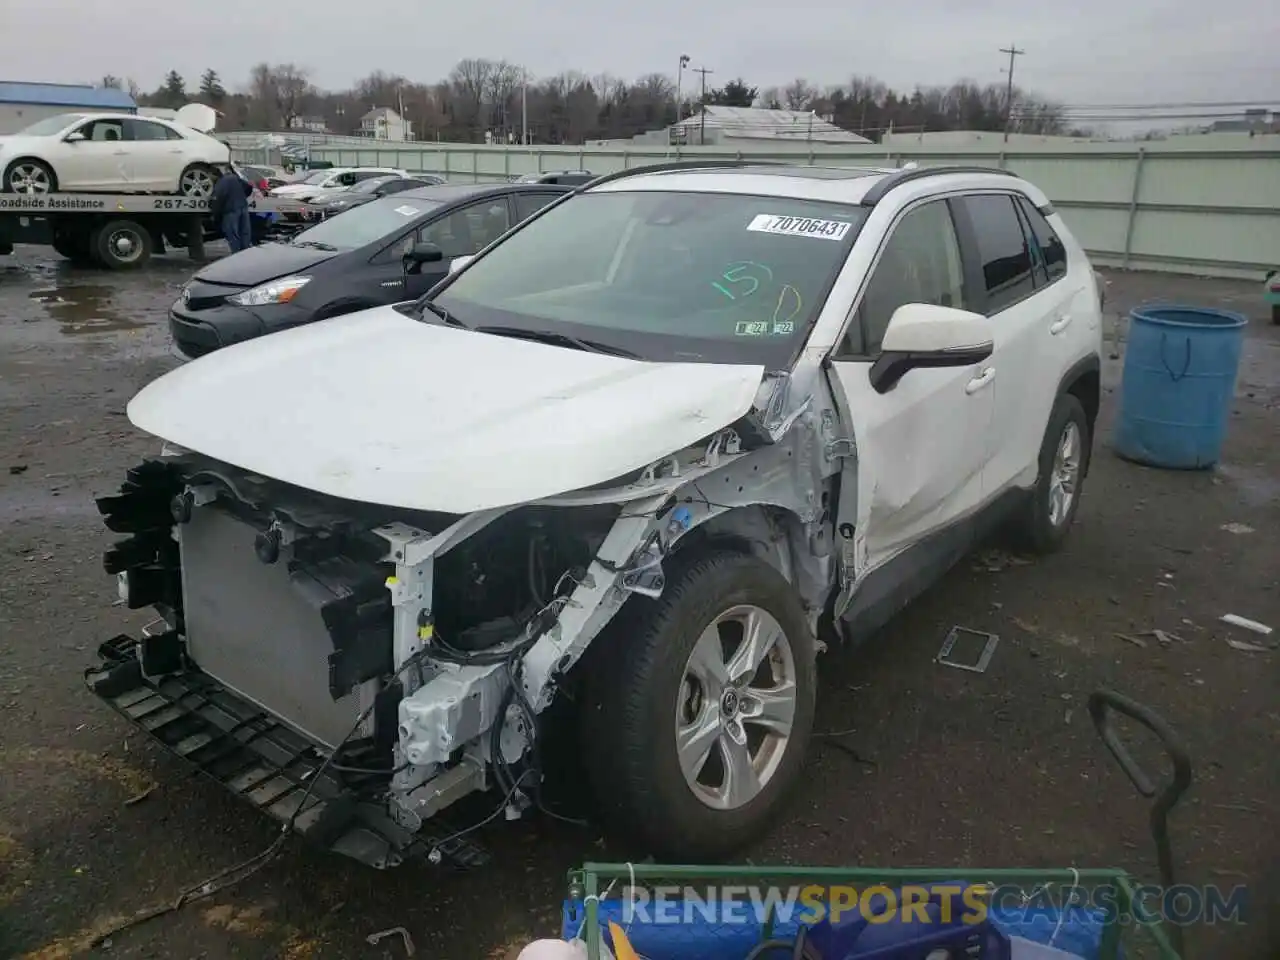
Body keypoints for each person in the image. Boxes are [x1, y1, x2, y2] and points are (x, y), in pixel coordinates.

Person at [209, 163, 253, 253]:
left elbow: (218, 199)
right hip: (243, 207)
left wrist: (214, 215)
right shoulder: (235, 178)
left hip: (231, 210)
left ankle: (236, 256)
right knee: (245, 233)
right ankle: (246, 254)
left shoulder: (221, 182)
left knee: (233, 235)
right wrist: (242, 196)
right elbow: (248, 187)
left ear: (214, 175)